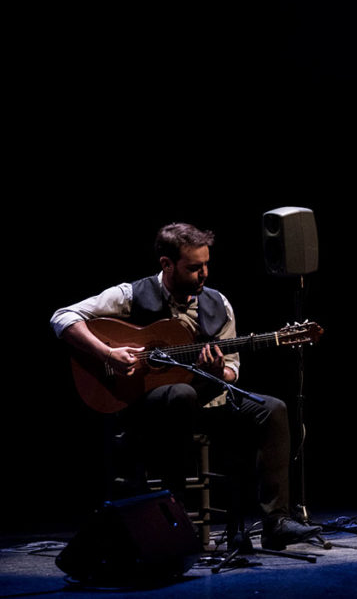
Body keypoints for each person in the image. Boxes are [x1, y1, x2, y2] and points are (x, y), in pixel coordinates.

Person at [50, 222, 322, 551]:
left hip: (206, 404)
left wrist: (219, 371)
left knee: (272, 408)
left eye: (206, 264)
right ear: (167, 264)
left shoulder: (218, 304)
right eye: (194, 267)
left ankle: (275, 521)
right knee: (180, 394)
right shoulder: (130, 295)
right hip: (146, 409)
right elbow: (62, 317)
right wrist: (109, 353)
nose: (204, 273)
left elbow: (233, 368)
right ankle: (174, 521)